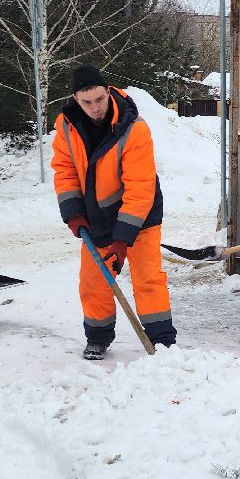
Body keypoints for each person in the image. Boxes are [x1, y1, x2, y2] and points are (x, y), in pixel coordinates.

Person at [51, 64, 176, 360]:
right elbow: (64, 171)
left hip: (139, 217)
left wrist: (122, 241)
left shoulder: (133, 127)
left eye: (99, 99)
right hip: (95, 217)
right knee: (94, 281)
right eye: (86, 102)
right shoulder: (67, 126)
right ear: (75, 99)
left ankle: (162, 341)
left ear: (108, 92)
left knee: (147, 278)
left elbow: (139, 188)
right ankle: (97, 337)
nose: (94, 108)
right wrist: (74, 214)